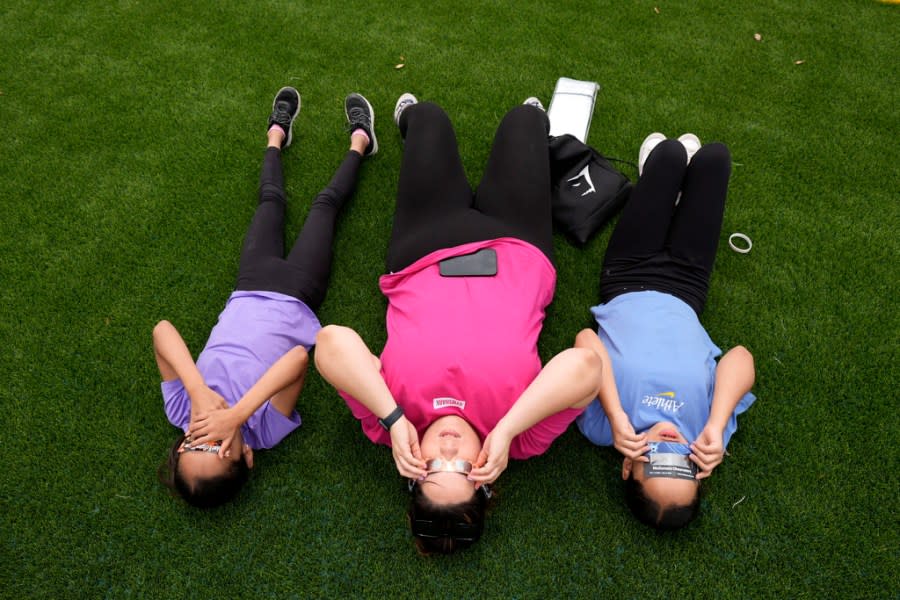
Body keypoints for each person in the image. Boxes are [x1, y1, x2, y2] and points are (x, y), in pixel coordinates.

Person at [314, 94, 604, 553]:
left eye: (432, 470)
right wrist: (506, 429)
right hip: (517, 246)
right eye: (463, 470)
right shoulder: (521, 437)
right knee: (524, 119)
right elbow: (587, 367)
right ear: (486, 476)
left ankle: (409, 120)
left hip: (424, 249)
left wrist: (392, 419)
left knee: (427, 118)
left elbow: (329, 343)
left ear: (413, 469)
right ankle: (529, 126)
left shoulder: (389, 422)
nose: (448, 452)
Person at [153, 87, 378, 508]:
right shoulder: (264, 430)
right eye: (219, 449)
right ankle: (361, 141)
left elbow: (163, 331)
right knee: (323, 207)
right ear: (247, 456)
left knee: (270, 201)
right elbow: (296, 361)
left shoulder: (182, 409)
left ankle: (277, 133)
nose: (208, 438)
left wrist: (199, 391)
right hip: (298, 291)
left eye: (193, 448)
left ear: (181, 445)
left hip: (249, 284)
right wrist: (237, 416)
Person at [574, 132, 756, 530]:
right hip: (687, 286)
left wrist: (617, 413)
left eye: (658, 463)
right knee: (714, 158)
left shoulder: (603, 428)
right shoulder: (705, 434)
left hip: (627, 276)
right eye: (684, 468)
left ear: (628, 468)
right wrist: (715, 424)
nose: (671, 449)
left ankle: (658, 181)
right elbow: (741, 357)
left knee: (670, 153)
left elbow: (586, 342)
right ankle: (668, 195)